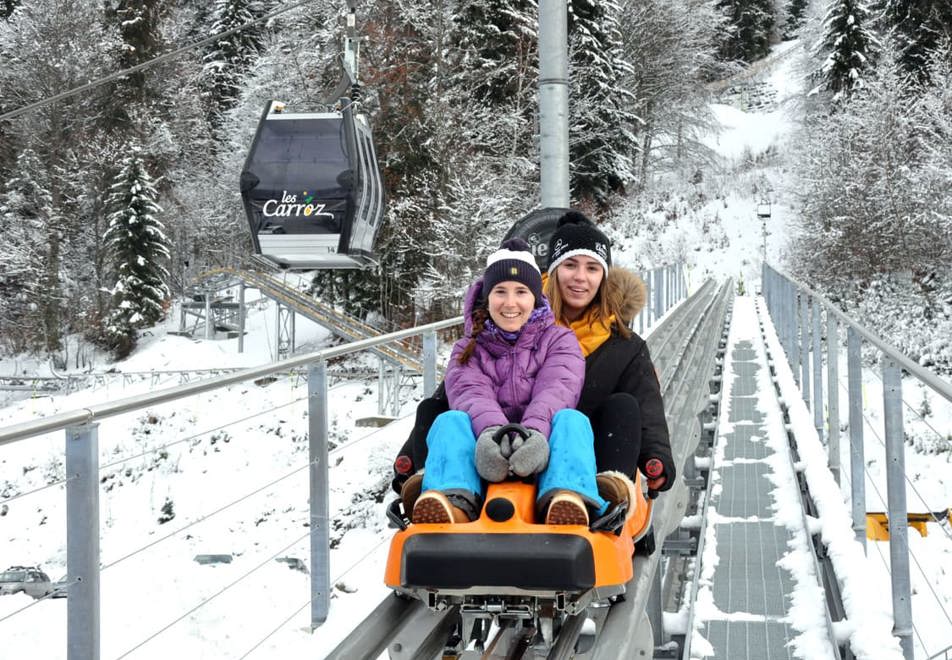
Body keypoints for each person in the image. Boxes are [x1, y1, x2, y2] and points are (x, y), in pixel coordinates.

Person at [393, 211, 675, 527]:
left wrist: (655, 457)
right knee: (437, 410)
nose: (580, 277)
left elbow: (646, 404)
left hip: (583, 448)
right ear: (552, 273)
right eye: (569, 266)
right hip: (498, 445)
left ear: (604, 278)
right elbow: (460, 391)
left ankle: (603, 490)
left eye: (592, 268)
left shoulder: (622, 345)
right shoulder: (511, 326)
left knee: (615, 409)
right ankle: (437, 487)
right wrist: (409, 457)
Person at [408, 238, 608, 525]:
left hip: (544, 448)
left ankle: (568, 497)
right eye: (500, 291)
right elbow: (470, 393)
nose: (510, 303)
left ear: (535, 298)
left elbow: (558, 388)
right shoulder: (469, 347)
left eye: (521, 292)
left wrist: (532, 435)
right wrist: (493, 433)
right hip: (485, 451)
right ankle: (453, 502)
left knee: (571, 420)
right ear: (487, 299)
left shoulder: (560, 340)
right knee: (449, 420)